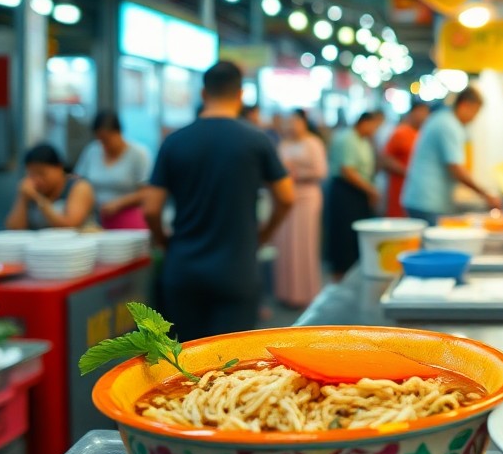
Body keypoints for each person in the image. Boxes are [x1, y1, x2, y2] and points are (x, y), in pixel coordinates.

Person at [143, 62, 294, 340]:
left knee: (186, 363)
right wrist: (264, 234)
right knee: (231, 366)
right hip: (237, 269)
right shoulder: (257, 140)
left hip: (183, 269)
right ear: (240, 95)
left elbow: (151, 208)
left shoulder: (174, 141)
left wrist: (165, 242)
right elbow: (286, 196)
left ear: (203, 94)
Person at [401, 88, 503, 225]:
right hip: (427, 201)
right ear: (464, 105)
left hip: (423, 198)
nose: (474, 118)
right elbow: (455, 168)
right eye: (475, 112)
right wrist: (486, 195)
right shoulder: (448, 125)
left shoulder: (443, 119)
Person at [272, 109, 328, 308]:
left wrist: (297, 172)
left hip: (308, 197)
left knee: (305, 243)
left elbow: (321, 171)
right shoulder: (283, 143)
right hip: (286, 197)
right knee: (286, 245)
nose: (291, 125)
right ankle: (287, 292)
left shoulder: (313, 142)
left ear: (304, 122)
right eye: (289, 121)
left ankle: (307, 293)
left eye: (295, 121)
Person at [324, 111, 384, 278]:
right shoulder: (347, 138)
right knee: (344, 234)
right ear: (365, 123)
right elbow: (347, 170)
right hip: (346, 191)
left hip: (359, 191)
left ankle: (354, 271)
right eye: (374, 126)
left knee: (355, 236)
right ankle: (342, 274)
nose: (375, 130)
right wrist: (370, 190)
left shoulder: (363, 140)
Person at [74, 111, 152, 230]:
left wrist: (119, 203)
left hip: (129, 220)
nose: (103, 145)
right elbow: (78, 179)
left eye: (106, 139)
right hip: (96, 219)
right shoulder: (92, 151)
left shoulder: (139, 154)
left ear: (119, 132)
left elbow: (147, 192)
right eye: (99, 140)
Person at [5, 144, 96, 230]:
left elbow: (70, 226)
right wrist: (22, 197)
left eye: (41, 173)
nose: (37, 179)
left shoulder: (79, 187)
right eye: (32, 174)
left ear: (59, 167)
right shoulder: (30, 190)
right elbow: (14, 229)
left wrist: (38, 198)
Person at [380, 101, 431, 218]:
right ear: (413, 112)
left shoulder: (423, 133)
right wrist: (408, 172)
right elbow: (385, 159)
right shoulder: (401, 132)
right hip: (400, 190)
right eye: (422, 112)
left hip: (418, 193)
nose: (425, 116)